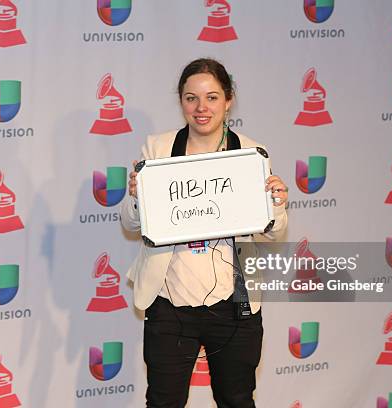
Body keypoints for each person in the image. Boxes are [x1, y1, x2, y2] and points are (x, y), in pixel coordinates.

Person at [120, 58, 288, 408]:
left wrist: (275, 204)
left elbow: (273, 234)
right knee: (163, 403)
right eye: (190, 98)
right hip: (170, 302)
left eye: (212, 97)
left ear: (228, 100)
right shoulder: (157, 149)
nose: (201, 108)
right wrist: (137, 197)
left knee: (237, 400)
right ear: (180, 101)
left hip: (236, 304)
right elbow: (131, 225)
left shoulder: (252, 153)